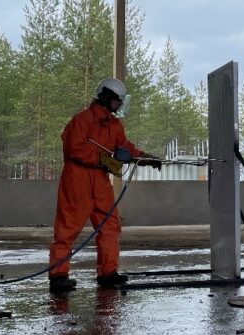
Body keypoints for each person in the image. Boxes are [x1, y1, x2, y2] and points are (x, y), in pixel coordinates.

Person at [48, 78, 160, 293]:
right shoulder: (82, 120)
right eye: (117, 101)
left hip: (100, 182)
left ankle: (108, 273)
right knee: (67, 229)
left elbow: (124, 147)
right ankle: (59, 275)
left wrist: (144, 158)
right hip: (77, 181)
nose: (119, 106)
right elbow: (74, 149)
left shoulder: (114, 125)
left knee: (110, 226)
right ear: (106, 97)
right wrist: (101, 159)